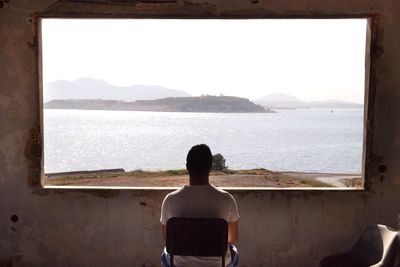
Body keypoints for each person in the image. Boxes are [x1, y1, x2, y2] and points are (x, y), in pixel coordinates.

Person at [160, 144, 240, 267]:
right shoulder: (226, 199)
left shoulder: (170, 200)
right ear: (210, 168)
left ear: (187, 167)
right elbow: (233, 238)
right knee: (235, 253)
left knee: (165, 253)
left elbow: (168, 239)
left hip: (181, 264)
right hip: (218, 264)